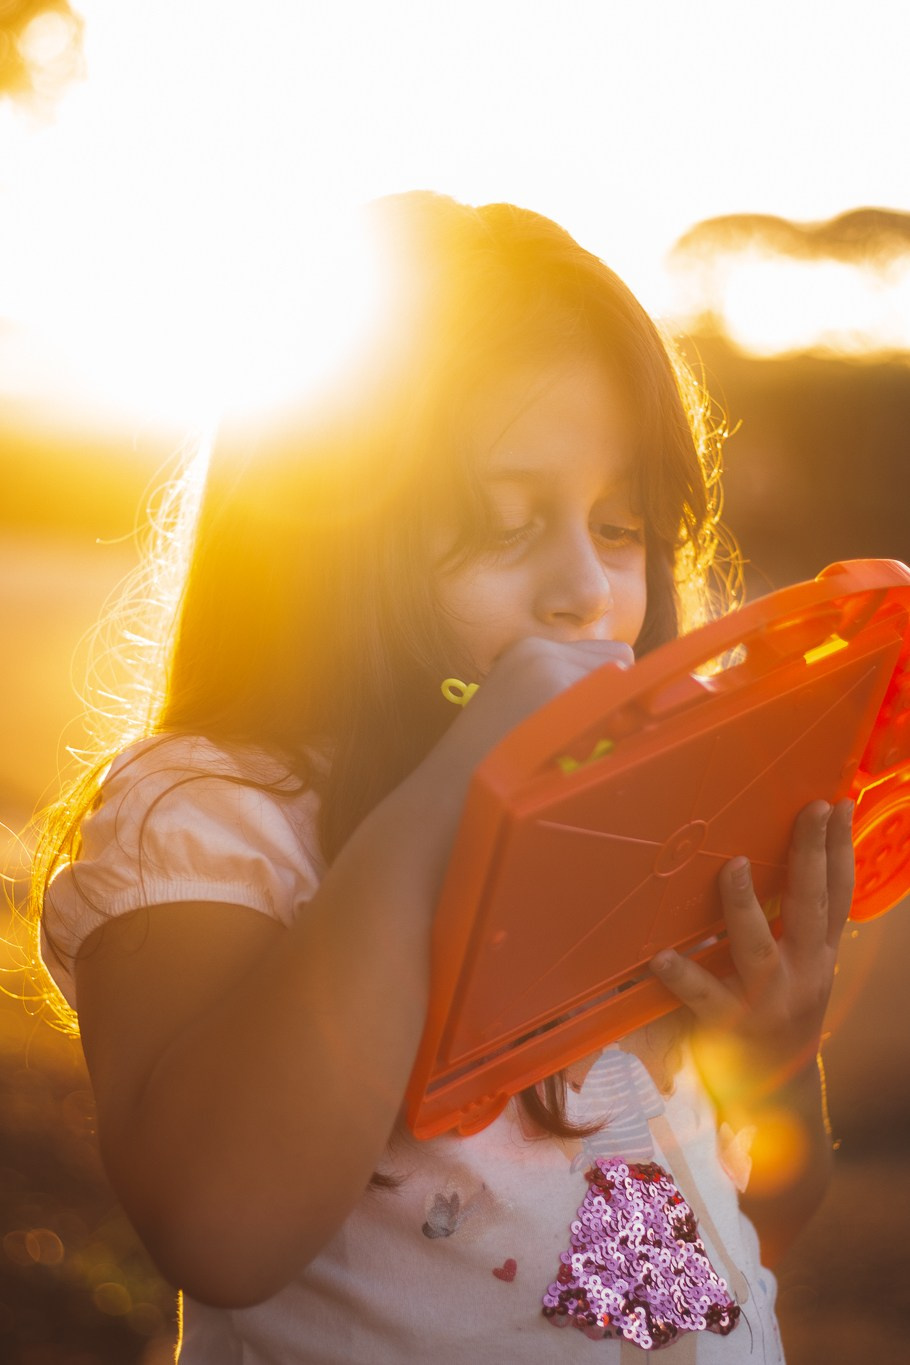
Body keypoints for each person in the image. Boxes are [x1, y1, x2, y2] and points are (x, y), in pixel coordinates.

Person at [32, 192, 854, 1362]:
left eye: (620, 525)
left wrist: (770, 1068)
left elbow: (719, 1245)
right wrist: (449, 803)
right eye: (502, 524)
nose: (586, 590)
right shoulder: (215, 821)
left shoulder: (634, 841)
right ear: (319, 548)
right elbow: (221, 1230)